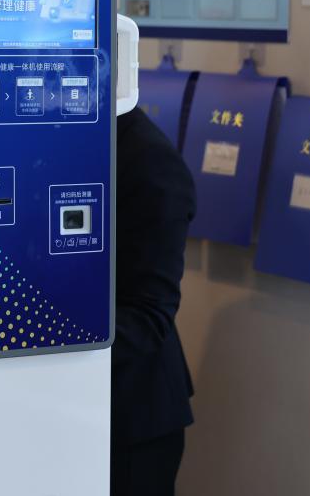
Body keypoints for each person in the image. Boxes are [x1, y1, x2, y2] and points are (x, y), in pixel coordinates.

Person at [111, 107, 197, 496]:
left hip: (132, 418)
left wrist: (44, 340)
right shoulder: (67, 137)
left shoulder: (150, 160)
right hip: (63, 405)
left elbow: (148, 315)